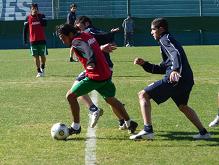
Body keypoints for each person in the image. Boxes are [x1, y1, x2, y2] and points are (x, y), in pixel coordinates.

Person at [130, 18, 211, 140]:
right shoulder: (166, 41)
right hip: (186, 79)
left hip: (176, 78)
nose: (151, 32)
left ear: (161, 29)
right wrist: (144, 64)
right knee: (183, 106)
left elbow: (176, 53)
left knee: (143, 95)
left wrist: (176, 69)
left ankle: (148, 130)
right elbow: (163, 68)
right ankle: (203, 132)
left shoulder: (165, 39)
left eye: (153, 29)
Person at [56, 24, 138, 136]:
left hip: (95, 75)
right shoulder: (86, 34)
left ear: (70, 34)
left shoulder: (76, 41)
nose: (62, 41)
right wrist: (107, 40)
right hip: (106, 73)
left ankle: (76, 127)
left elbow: (87, 49)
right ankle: (129, 122)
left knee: (70, 96)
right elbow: (94, 45)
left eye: (63, 38)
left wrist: (90, 62)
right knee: (110, 99)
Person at [73, 16, 128, 130]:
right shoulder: (87, 33)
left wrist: (107, 39)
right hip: (103, 67)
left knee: (75, 87)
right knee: (109, 98)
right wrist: (110, 36)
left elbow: (102, 39)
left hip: (100, 67)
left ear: (86, 24)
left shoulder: (90, 32)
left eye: (78, 25)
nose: (76, 27)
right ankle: (122, 120)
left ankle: (94, 110)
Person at [23, 3, 48, 78]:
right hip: (33, 41)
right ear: (31, 9)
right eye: (33, 8)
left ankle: (42, 67)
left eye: (35, 8)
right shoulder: (27, 18)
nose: (34, 9)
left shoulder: (42, 16)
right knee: (36, 56)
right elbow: (25, 30)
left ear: (37, 9)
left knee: (42, 56)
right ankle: (39, 71)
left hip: (42, 40)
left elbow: (45, 24)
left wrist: (38, 16)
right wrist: (25, 40)